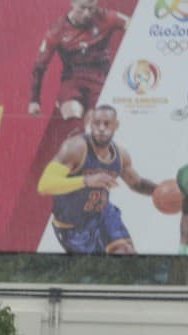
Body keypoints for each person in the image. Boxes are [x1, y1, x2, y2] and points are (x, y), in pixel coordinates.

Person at [36, 104, 165, 254]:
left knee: (125, 252)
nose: (101, 128)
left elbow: (137, 184)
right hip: (72, 226)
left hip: (103, 215)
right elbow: (44, 185)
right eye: (97, 123)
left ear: (116, 125)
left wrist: (163, 191)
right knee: (102, 271)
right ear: (91, 124)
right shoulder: (75, 148)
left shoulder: (120, 155)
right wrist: (86, 181)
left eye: (106, 123)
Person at [29, 0, 130, 125]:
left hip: (100, 79)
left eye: (91, 8)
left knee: (94, 125)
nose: (87, 13)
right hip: (72, 80)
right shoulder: (57, 31)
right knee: (73, 117)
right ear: (73, 3)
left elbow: (135, 24)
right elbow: (40, 66)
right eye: (82, 7)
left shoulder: (105, 17)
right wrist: (34, 100)